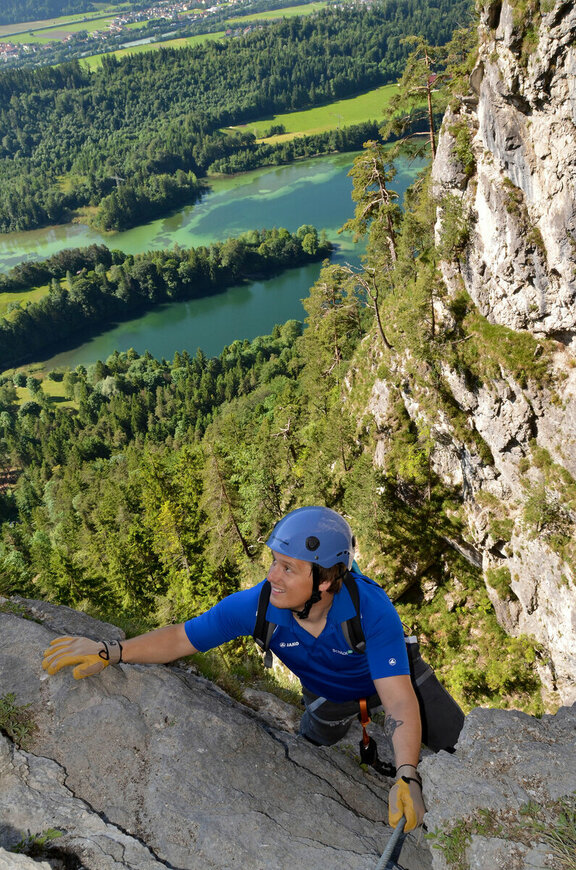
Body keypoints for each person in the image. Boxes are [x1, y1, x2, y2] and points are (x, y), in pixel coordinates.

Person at [43, 505, 426, 869]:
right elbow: (181, 638)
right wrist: (112, 651)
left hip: (399, 682)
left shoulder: (370, 610)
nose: (272, 576)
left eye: (288, 568)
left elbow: (398, 700)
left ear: (325, 580)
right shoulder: (258, 607)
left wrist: (407, 772)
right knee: (311, 746)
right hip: (329, 697)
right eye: (274, 562)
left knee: (456, 742)